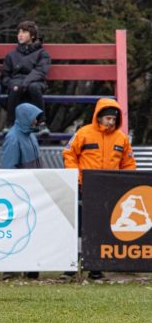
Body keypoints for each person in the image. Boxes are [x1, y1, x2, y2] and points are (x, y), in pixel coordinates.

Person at [62, 98, 136, 281]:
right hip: (84, 188)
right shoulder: (83, 133)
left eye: (113, 119)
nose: (111, 122)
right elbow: (69, 154)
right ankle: (70, 267)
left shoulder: (122, 139)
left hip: (110, 190)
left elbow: (128, 163)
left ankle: (96, 268)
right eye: (108, 118)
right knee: (78, 228)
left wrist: (124, 184)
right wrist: (76, 178)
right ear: (99, 117)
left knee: (102, 229)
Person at [0, 103, 43, 280]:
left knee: (31, 232)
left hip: (31, 192)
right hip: (19, 195)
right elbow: (8, 169)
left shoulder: (30, 136)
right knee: (17, 231)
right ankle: (10, 269)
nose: (37, 121)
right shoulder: (13, 138)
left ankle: (31, 268)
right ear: (26, 117)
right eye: (34, 117)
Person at [2, 21, 51, 135]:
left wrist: (25, 83)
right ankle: (10, 123)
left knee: (34, 87)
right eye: (19, 32)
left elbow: (40, 71)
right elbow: (5, 75)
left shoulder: (42, 53)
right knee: (15, 87)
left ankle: (41, 123)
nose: (20, 34)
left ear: (32, 35)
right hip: (16, 82)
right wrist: (10, 84)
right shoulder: (12, 55)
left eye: (24, 32)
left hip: (35, 82)